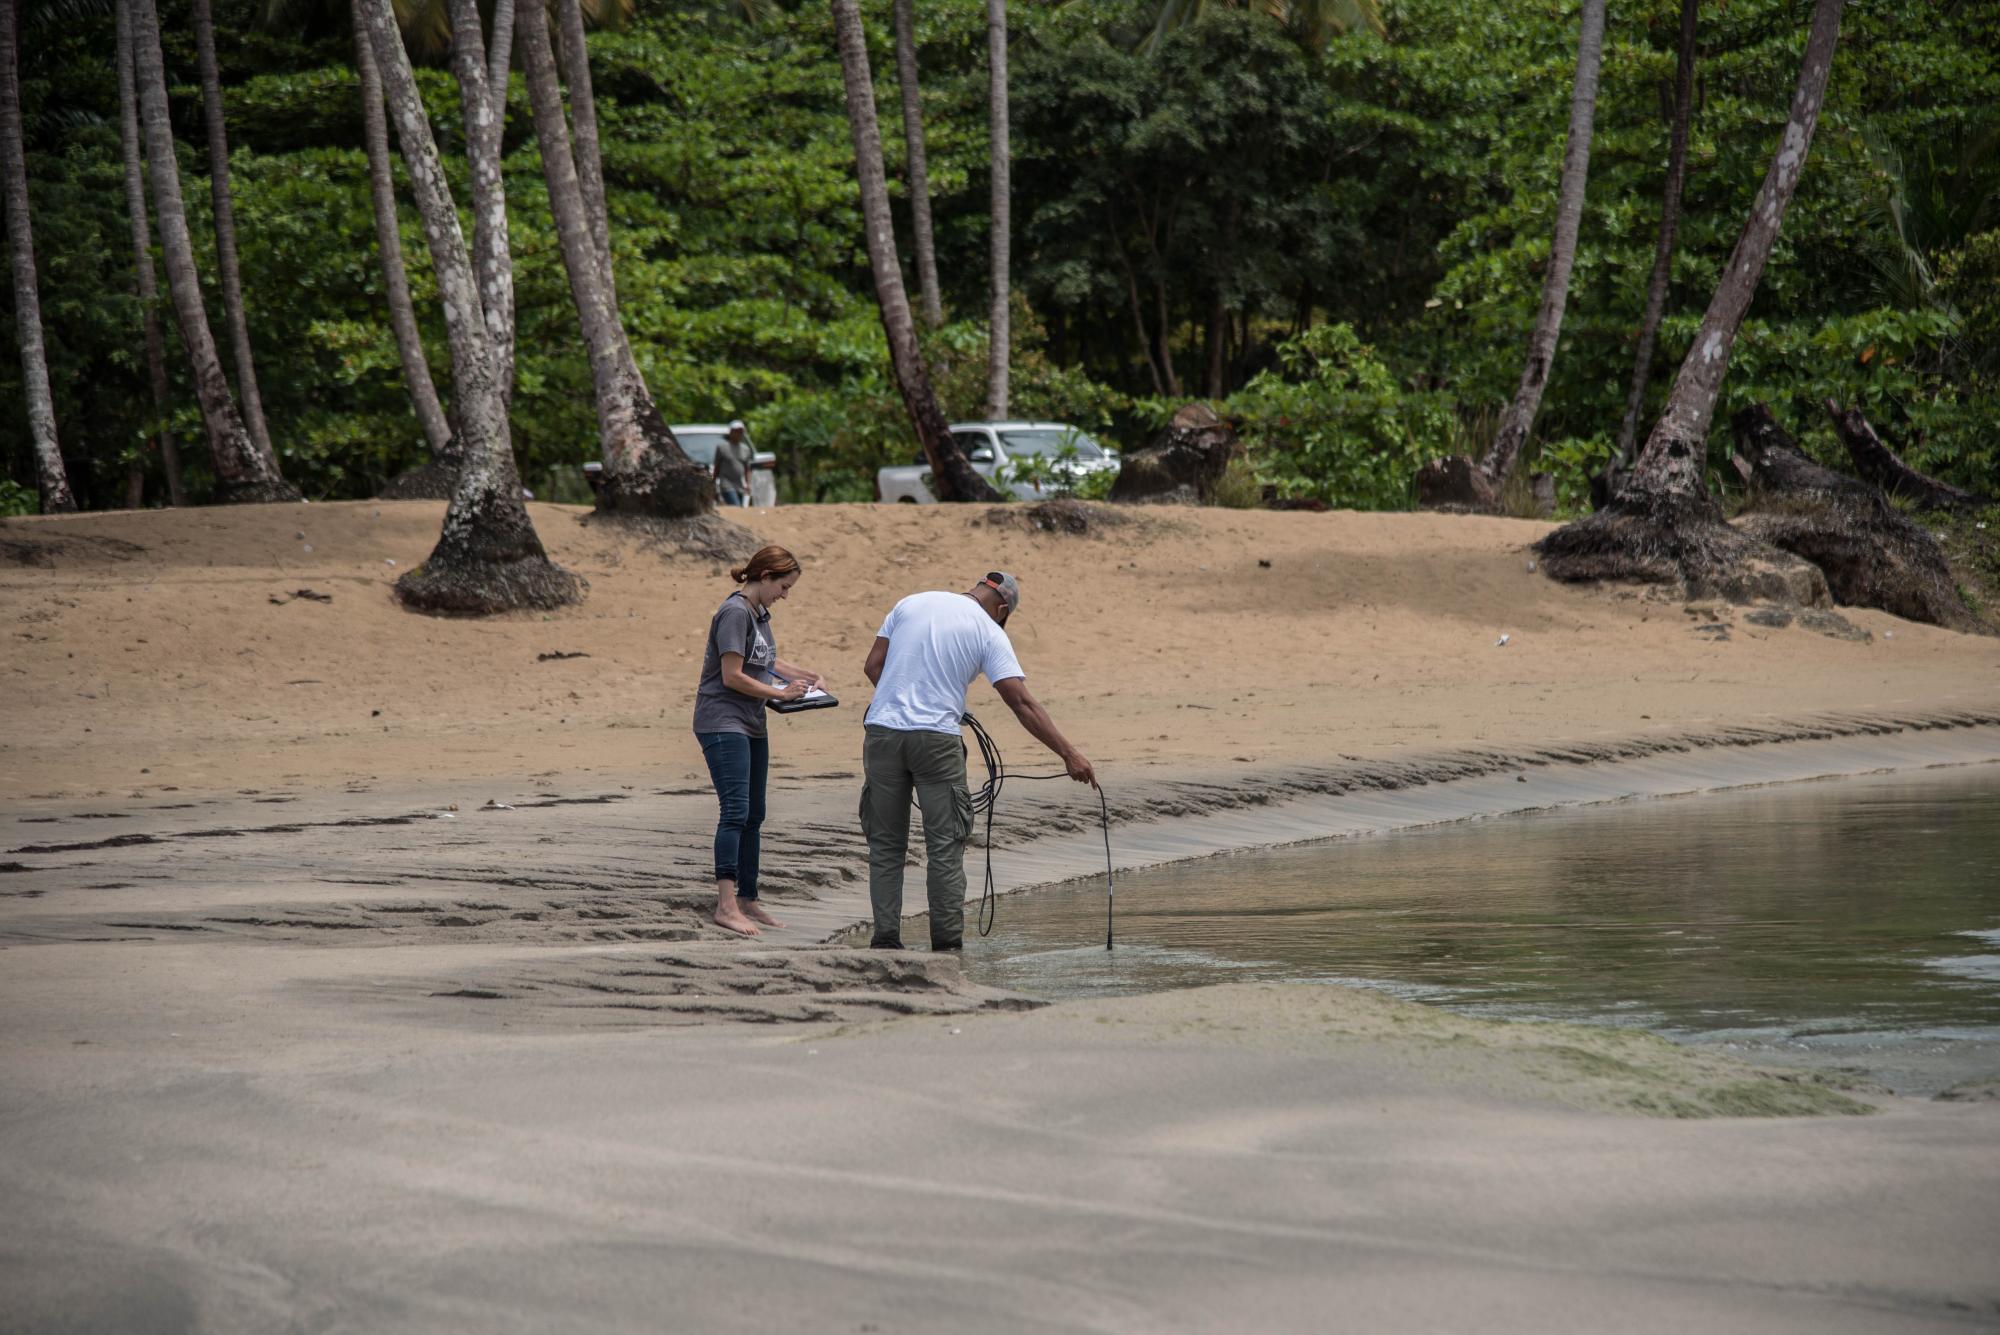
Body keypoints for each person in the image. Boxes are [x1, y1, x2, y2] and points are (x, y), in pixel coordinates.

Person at [859, 571, 1094, 952]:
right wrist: (1069, 754)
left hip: (882, 733)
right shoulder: (989, 631)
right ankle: (947, 948)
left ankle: (885, 940)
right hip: (936, 741)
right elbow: (1020, 702)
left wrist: (906, 699)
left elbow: (873, 667)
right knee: (945, 845)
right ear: (1002, 609)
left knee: (885, 845)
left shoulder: (911, 602)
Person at [693, 545, 824, 937]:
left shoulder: (759, 613)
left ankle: (749, 898)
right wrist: (781, 694)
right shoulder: (734, 612)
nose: (785, 595)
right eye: (783, 587)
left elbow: (766, 662)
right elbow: (731, 675)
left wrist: (809, 675)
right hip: (721, 720)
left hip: (751, 722)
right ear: (764, 576)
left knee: (755, 814)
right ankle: (726, 905)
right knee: (734, 811)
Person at [712, 420, 754, 508]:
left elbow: (747, 468)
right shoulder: (722, 447)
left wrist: (748, 484)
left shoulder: (745, 449)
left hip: (739, 484)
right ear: (730, 432)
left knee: (740, 508)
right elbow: (717, 466)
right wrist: (713, 483)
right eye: (736, 431)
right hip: (726, 483)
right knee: (736, 506)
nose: (738, 434)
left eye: (741, 432)